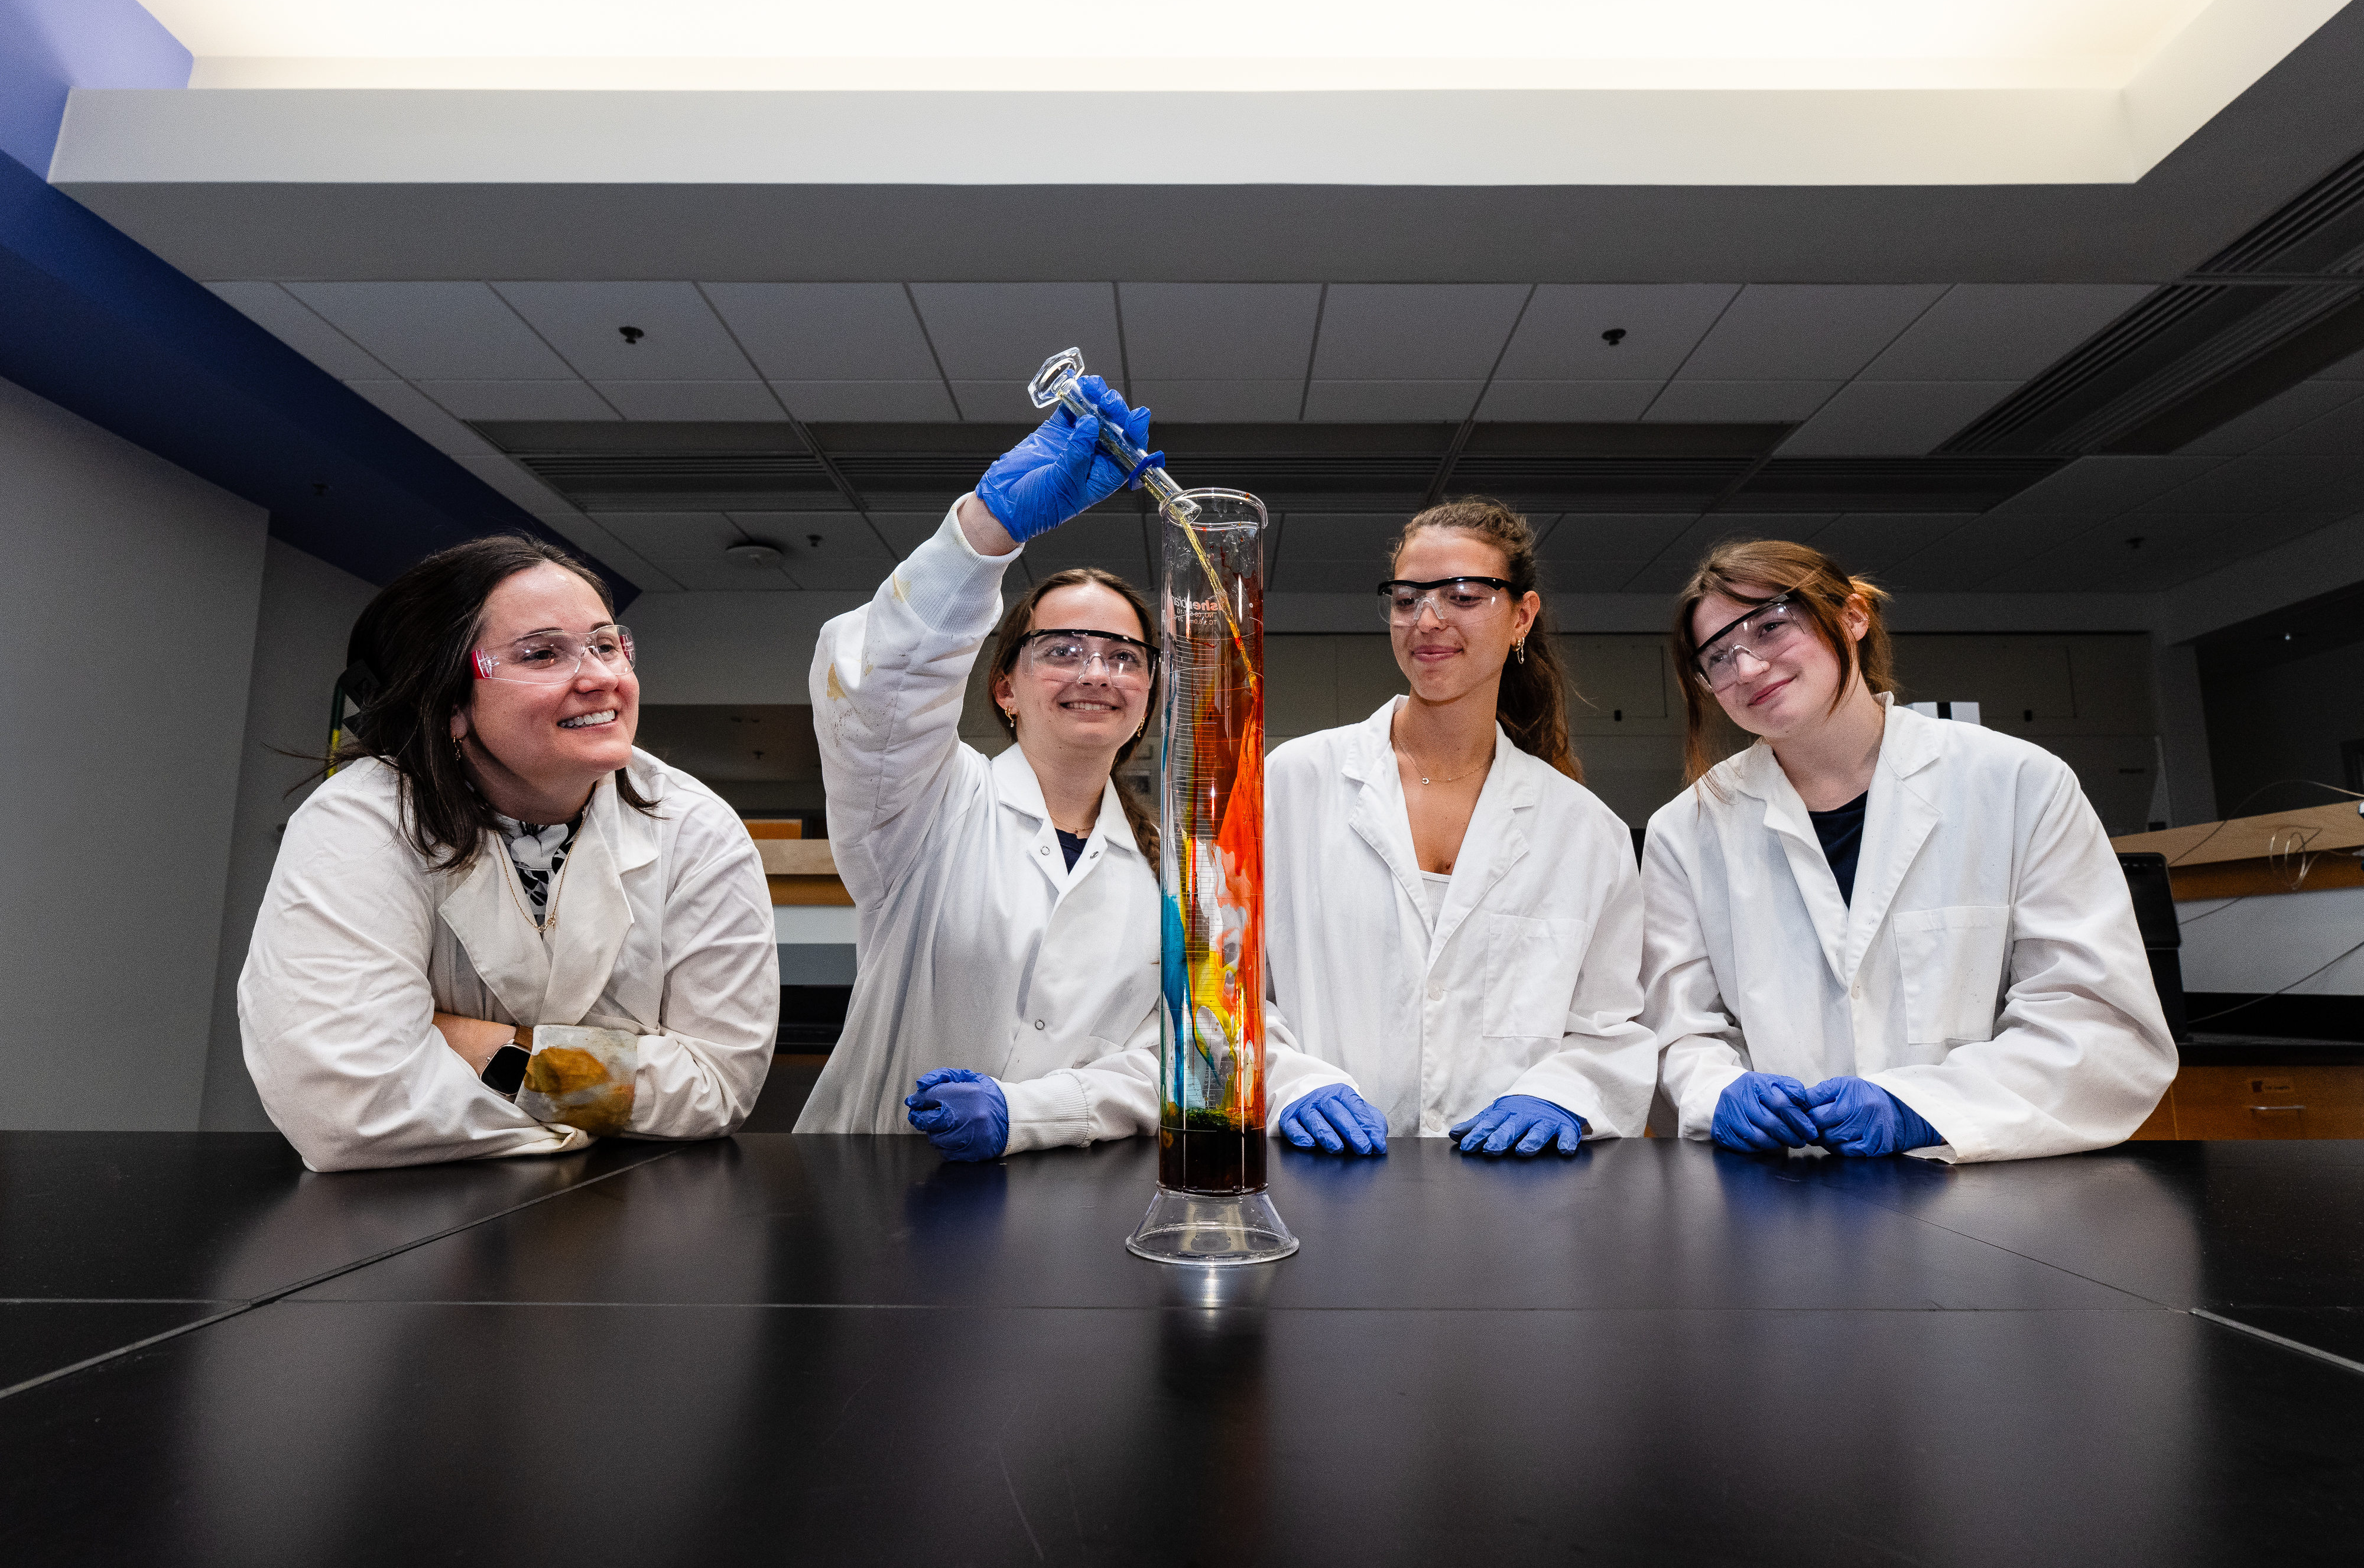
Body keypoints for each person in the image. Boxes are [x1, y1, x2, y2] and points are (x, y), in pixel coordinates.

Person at [240, 537, 778, 1172]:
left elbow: (715, 1088)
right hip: (409, 1230)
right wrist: (596, 1106)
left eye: (606, 645)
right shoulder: (363, 819)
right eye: (543, 653)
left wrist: (470, 1045)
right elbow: (350, 1108)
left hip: (635, 1224)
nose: (601, 677)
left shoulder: (692, 827)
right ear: (447, 705)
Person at [1641, 540, 2175, 1161]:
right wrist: (1720, 1091)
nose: (1750, 669)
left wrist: (1922, 1109)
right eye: (1719, 657)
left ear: (1852, 616)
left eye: (1770, 626)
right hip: (1780, 1198)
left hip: (1977, 1182)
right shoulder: (1688, 829)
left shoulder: (2016, 782)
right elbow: (1676, 1029)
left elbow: (2093, 1021)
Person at [793, 377, 1183, 1156]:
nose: (1097, 671)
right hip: (881, 1187)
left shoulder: (1170, 868)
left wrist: (1033, 1111)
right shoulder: (926, 804)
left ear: (1148, 691)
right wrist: (987, 529)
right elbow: (878, 688)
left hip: (1073, 1206)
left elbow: (1169, 1057)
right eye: (1062, 649)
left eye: (1123, 656)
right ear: (1006, 686)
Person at [1258, 498, 1657, 1158]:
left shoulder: (1585, 832)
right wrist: (1293, 1083)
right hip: (1321, 1170)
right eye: (1407, 598)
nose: (1428, 620)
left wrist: (1561, 1093)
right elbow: (1226, 986)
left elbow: (1608, 1027)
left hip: (1509, 1187)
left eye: (1465, 596)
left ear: (1521, 616)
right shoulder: (1292, 781)